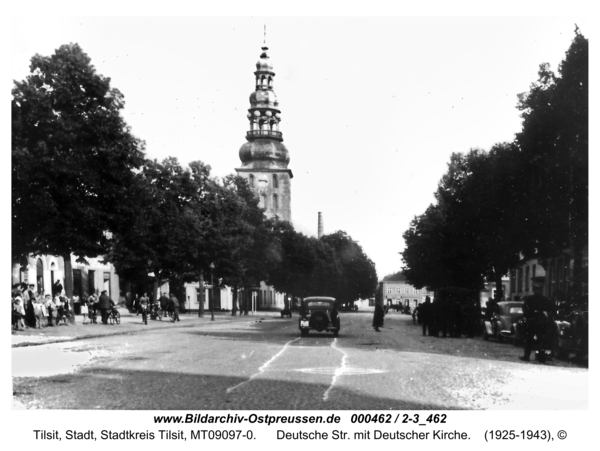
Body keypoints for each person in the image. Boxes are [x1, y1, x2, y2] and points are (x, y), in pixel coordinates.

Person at [519, 282, 552, 363]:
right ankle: (541, 357)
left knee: (530, 339)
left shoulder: (530, 298)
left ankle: (527, 356)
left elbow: (524, 307)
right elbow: (549, 309)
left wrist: (527, 315)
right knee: (540, 340)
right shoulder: (544, 299)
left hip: (532, 320)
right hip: (540, 320)